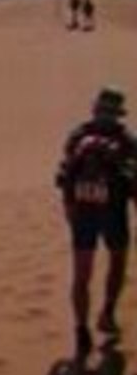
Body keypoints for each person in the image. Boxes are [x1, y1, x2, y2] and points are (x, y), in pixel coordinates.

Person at [55, 87, 137, 357]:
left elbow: (65, 175)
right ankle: (108, 313)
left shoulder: (78, 136)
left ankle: (81, 329)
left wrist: (70, 210)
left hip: (83, 213)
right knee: (118, 260)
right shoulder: (125, 140)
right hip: (113, 211)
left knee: (82, 274)